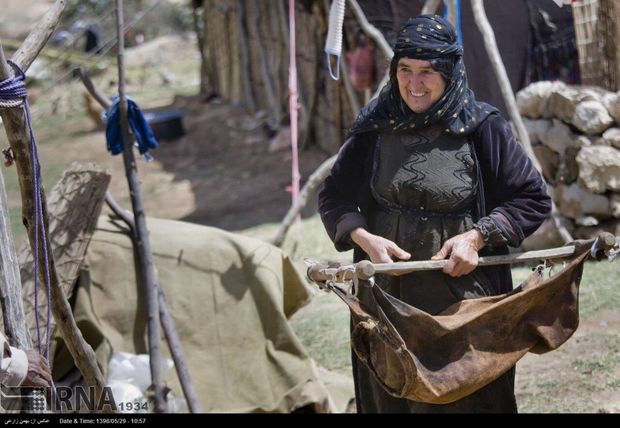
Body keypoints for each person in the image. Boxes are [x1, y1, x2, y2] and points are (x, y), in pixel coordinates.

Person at [318, 15, 552, 413]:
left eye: (427, 72)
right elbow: (334, 196)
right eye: (405, 70)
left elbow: (532, 198)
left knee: (467, 398)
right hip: (388, 301)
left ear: (449, 72)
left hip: (463, 301)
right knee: (394, 394)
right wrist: (363, 237)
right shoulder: (376, 126)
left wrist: (477, 237)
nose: (414, 84)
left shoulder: (481, 126)